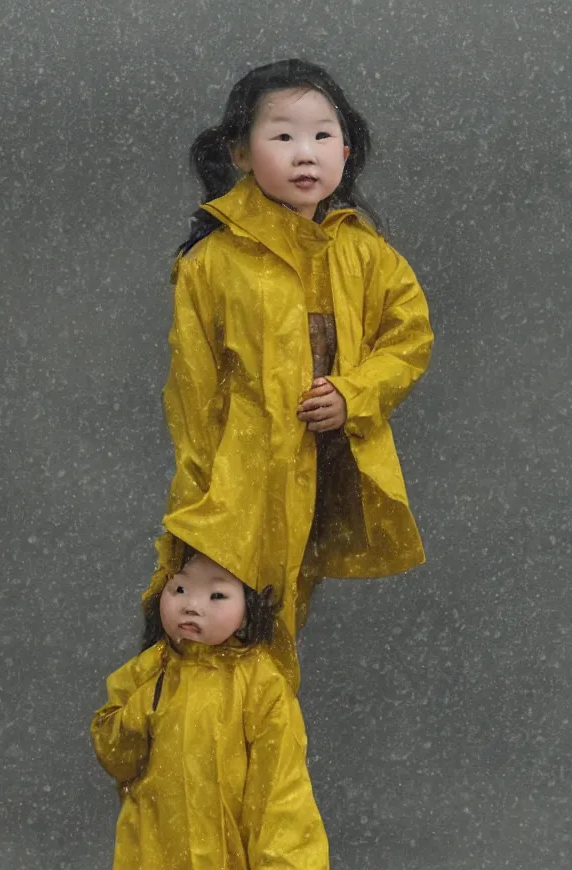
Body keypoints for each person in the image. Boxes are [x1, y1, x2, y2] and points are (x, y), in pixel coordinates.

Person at [158, 58, 434, 691]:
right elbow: (192, 391)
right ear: (239, 152)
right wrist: (201, 501)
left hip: (324, 468)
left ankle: (262, 761)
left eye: (322, 135)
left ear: (346, 148)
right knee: (219, 626)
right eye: (282, 135)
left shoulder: (364, 252)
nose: (305, 153)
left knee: (280, 620)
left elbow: (409, 336)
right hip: (241, 472)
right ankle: (206, 760)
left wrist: (353, 394)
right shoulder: (214, 261)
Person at [92, 549, 329, 870]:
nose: (190, 605)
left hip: (232, 858)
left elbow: (281, 783)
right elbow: (116, 757)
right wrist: (138, 714)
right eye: (179, 590)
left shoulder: (260, 683)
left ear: (251, 607)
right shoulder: (148, 672)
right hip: (163, 853)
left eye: (216, 594)